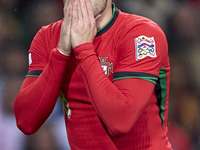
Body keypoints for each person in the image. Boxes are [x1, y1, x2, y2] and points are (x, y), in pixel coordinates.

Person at [14, 0, 172, 149]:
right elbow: (26, 121)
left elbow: (120, 121)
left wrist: (84, 48)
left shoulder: (141, 34)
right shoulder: (47, 38)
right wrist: (61, 53)